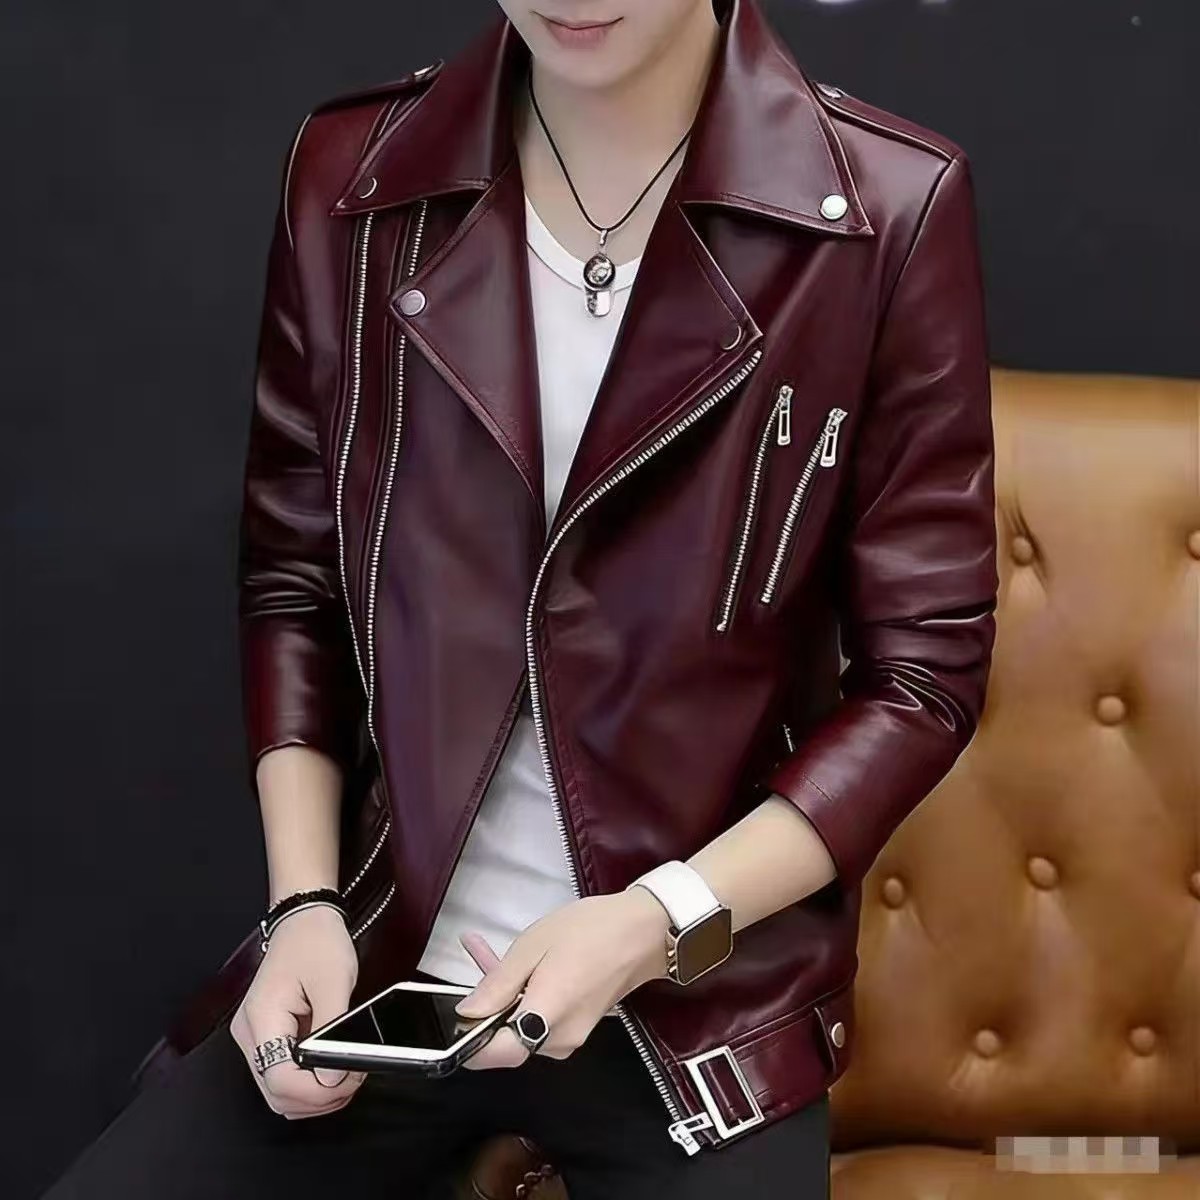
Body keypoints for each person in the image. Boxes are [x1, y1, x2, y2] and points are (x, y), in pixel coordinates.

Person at [43, 0, 998, 1196]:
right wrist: (303, 906)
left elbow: (922, 679)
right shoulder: (356, 177)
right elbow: (294, 578)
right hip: (382, 964)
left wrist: (657, 920)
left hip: (693, 1004)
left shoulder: (883, 207)